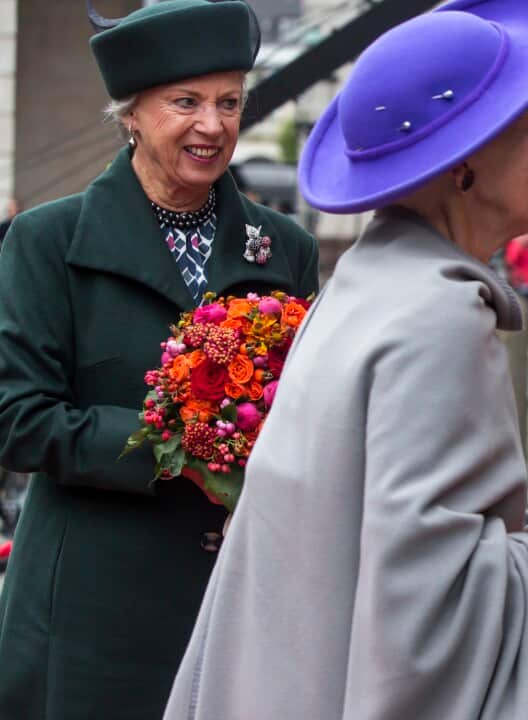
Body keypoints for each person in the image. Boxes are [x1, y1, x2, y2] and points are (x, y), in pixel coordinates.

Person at [163, 2, 528, 718]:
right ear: (463, 170)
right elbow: (427, 593)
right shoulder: (439, 315)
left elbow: (375, 523)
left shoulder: (368, 282)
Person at [0, 2, 320, 718]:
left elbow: (308, 413)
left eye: (229, 102)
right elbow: (19, 420)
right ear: (131, 114)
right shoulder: (48, 242)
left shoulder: (284, 249)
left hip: (237, 599)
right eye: (187, 102)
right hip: (92, 612)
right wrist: (184, 448)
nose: (213, 125)